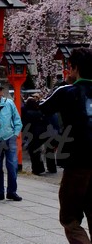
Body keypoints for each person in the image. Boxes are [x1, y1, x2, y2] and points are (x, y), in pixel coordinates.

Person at [39, 47, 92, 243]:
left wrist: (67, 83)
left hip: (77, 162)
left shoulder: (67, 91)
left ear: (75, 68)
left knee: (70, 217)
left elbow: (44, 107)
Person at [0, 80, 23, 202]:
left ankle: (12, 191)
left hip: (9, 138)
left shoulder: (9, 103)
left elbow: (17, 120)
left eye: (0, 90)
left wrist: (15, 134)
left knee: (12, 166)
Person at [22, 96, 56, 175]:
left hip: (35, 135)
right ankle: (52, 168)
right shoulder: (41, 112)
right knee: (49, 151)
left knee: (34, 152)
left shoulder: (27, 113)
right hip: (47, 133)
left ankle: (38, 169)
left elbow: (25, 125)